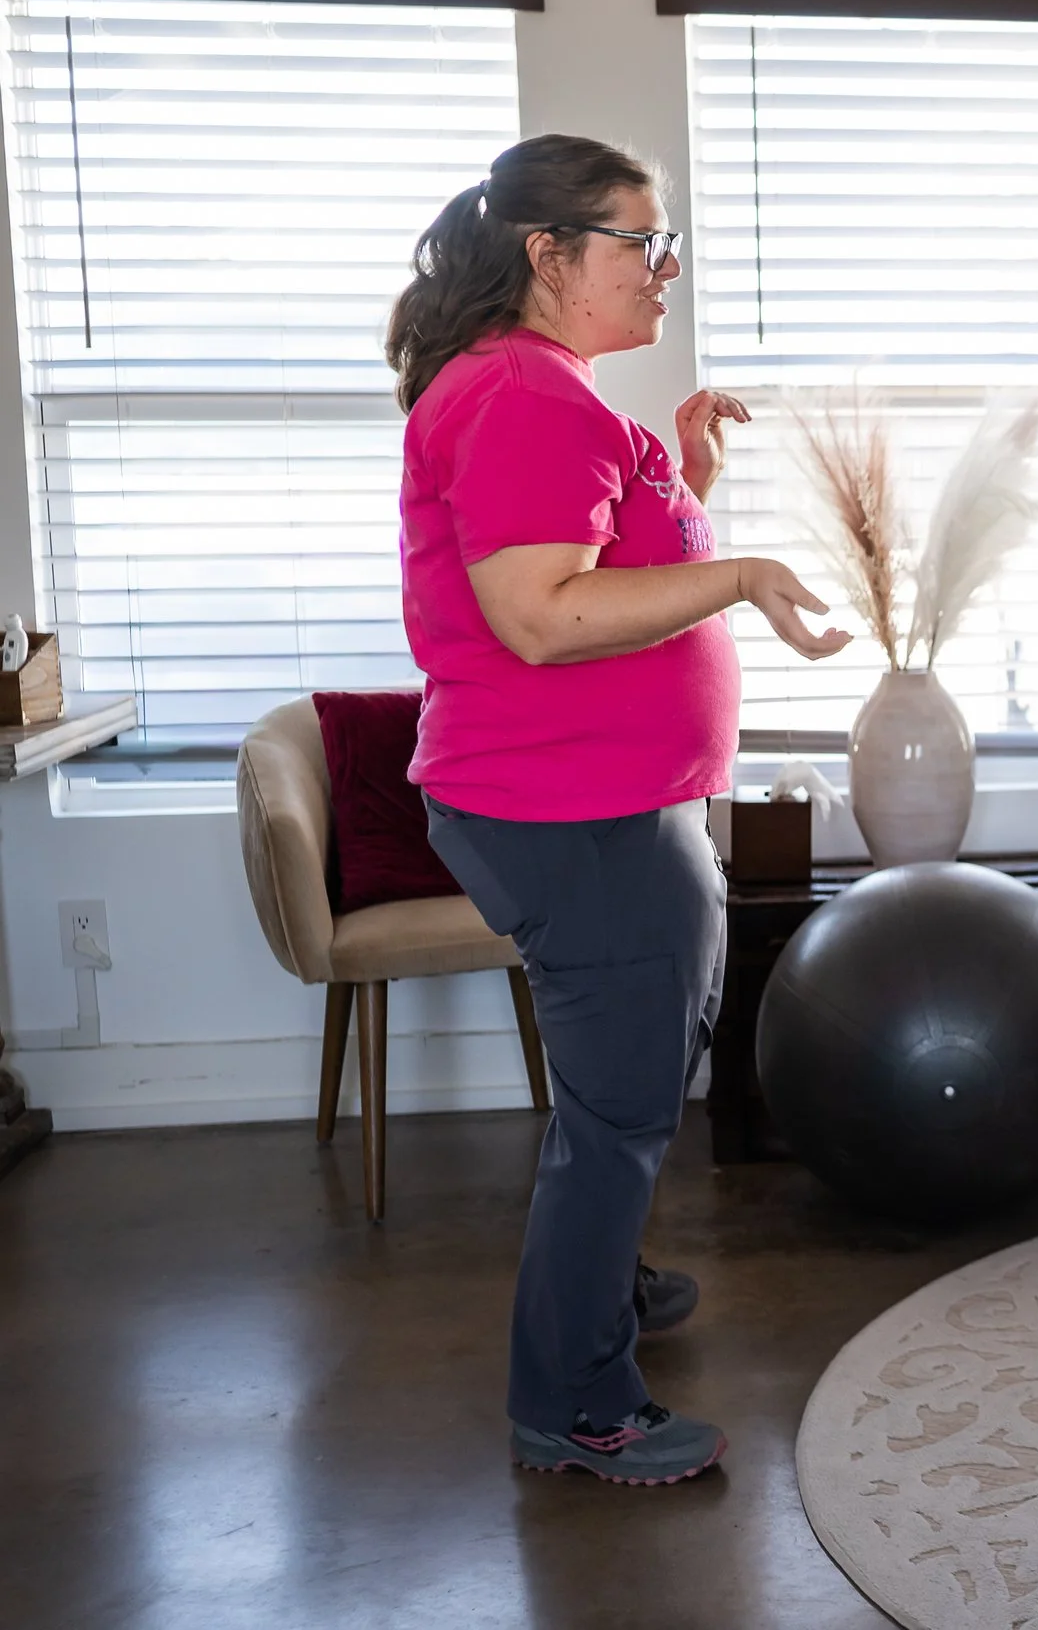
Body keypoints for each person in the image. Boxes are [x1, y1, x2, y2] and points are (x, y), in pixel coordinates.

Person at [385, 134, 849, 1485]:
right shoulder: (528, 396)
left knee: (633, 1077)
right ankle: (576, 1396)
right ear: (549, 254)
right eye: (643, 243)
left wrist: (682, 486)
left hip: (591, 794)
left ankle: (603, 1273)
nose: (666, 268)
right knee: (622, 1108)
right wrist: (744, 569)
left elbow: (596, 574)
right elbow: (541, 615)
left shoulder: (547, 388)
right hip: (567, 807)